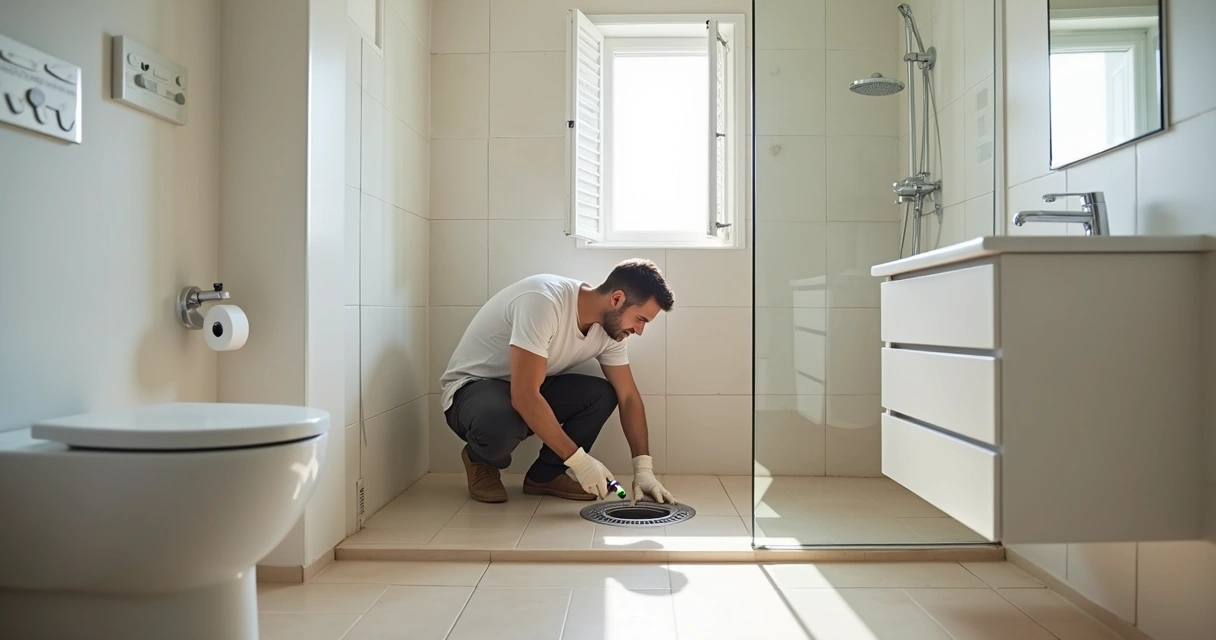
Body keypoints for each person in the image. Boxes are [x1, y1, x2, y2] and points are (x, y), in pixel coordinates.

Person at [439, 258, 677, 505]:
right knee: (498, 420)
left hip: (526, 388)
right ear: (617, 299)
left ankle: (546, 474)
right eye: (641, 319)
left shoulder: (610, 332)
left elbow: (628, 397)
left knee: (602, 394)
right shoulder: (544, 301)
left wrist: (643, 469)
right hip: (473, 390)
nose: (639, 330)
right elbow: (524, 396)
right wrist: (580, 462)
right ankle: (481, 460)